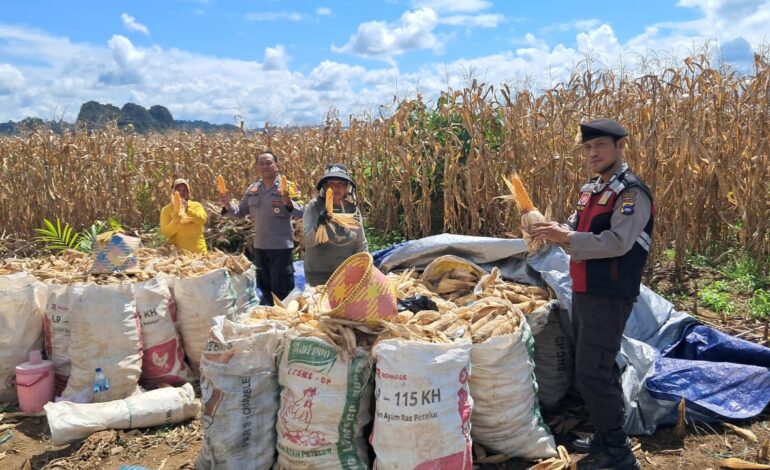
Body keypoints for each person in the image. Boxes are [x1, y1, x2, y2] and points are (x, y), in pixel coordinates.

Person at [530, 118, 653, 470]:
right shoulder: (592, 190)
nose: (593, 152)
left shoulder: (631, 193)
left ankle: (617, 451)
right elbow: (574, 225)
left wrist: (565, 238)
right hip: (585, 290)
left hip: (609, 293)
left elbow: (618, 242)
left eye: (600, 145)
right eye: (587, 147)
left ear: (619, 147)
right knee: (599, 367)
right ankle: (605, 432)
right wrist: (550, 228)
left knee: (592, 371)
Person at [220, 151, 303, 305]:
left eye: (269, 162)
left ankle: (287, 320)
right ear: (257, 167)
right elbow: (240, 212)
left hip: (280, 247)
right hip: (260, 246)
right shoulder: (253, 190)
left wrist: (288, 202)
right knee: (264, 288)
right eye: (261, 163)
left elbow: (302, 211)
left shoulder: (288, 187)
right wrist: (227, 205)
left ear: (276, 166)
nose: (265, 166)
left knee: (282, 288)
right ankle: (269, 318)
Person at [302, 164, 367, 286]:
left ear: (347, 187)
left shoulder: (353, 210)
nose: (336, 188)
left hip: (345, 274)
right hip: (318, 276)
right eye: (331, 184)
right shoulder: (314, 207)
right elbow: (306, 241)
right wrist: (318, 225)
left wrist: (366, 267)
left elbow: (360, 243)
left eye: (341, 184)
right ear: (325, 187)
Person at [160, 178, 208, 254]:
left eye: (185, 190)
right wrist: (175, 220)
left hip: (200, 253)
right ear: (172, 192)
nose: (182, 192)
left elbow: (203, 220)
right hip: (179, 256)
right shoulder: (166, 210)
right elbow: (167, 233)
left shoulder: (196, 206)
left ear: (189, 192)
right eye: (178, 190)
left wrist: (187, 210)